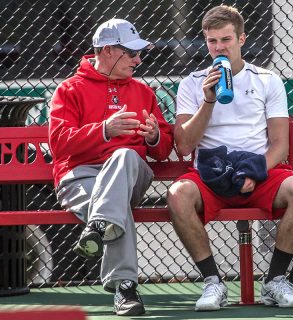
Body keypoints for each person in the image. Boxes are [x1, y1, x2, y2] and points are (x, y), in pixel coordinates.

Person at [167, 5, 293, 311]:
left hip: (256, 171)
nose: (219, 48)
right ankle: (213, 283)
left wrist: (254, 171)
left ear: (242, 39)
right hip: (211, 173)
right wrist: (208, 100)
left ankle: (275, 280)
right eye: (212, 41)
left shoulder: (267, 80)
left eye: (226, 40)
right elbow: (183, 145)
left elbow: (278, 144)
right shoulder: (191, 83)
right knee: (177, 194)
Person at [49, 18, 174, 316]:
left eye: (138, 53)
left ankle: (98, 225)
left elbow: (165, 148)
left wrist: (155, 135)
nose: (138, 59)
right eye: (131, 53)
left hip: (131, 175)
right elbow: (58, 144)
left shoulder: (144, 92)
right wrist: (104, 130)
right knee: (114, 207)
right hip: (80, 177)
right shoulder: (69, 90)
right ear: (106, 51)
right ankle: (125, 288)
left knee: (125, 157)